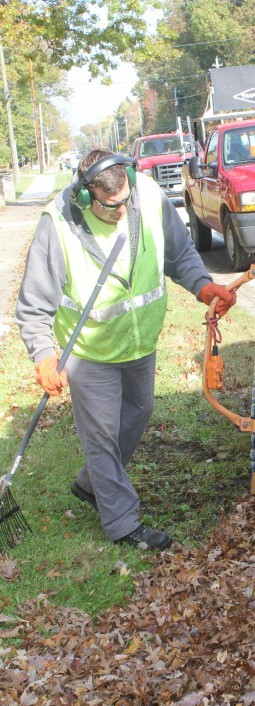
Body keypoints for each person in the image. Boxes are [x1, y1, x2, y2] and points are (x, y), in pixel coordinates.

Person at [16, 149, 236, 551]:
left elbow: (181, 254)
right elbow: (33, 305)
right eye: (110, 205)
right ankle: (121, 521)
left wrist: (204, 287)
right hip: (89, 353)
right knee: (101, 435)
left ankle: (89, 484)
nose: (122, 211)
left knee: (139, 412)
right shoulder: (59, 224)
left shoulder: (148, 196)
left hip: (139, 341)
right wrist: (44, 355)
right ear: (85, 197)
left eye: (125, 201)